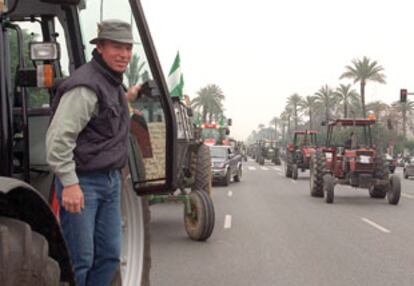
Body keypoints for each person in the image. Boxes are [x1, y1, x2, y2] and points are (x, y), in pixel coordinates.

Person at [46, 19, 140, 286]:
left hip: (110, 182)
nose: (124, 54)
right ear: (100, 47)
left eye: (128, 48)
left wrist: (129, 99)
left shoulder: (111, 83)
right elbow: (58, 141)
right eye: (116, 47)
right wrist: (70, 184)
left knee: (109, 256)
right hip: (83, 182)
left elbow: (106, 120)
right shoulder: (85, 87)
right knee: (80, 260)